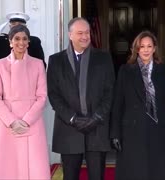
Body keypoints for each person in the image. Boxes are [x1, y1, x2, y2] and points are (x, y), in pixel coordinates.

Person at [47, 17, 115, 180]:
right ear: (70, 35)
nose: (85, 36)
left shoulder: (104, 58)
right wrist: (72, 118)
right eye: (80, 33)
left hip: (97, 128)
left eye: (87, 32)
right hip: (69, 128)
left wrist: (97, 117)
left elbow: (110, 91)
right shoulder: (56, 61)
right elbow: (54, 95)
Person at [0, 25, 50, 179]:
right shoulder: (0, 65)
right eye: (17, 38)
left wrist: (26, 121)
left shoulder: (38, 64)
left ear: (28, 42)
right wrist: (12, 121)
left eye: (24, 39)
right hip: (6, 123)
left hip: (32, 123)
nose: (21, 42)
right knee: (7, 167)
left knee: (34, 167)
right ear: (10, 42)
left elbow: (42, 96)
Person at [110, 31, 165, 180]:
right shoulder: (125, 71)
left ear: (154, 49)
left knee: (156, 171)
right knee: (133, 171)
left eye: (149, 46)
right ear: (136, 49)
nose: (146, 50)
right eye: (142, 46)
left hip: (158, 129)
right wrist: (115, 133)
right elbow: (117, 104)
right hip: (131, 131)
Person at [0, 12, 46, 128]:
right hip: (5, 97)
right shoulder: (1, 41)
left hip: (26, 97)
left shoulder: (33, 42)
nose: (16, 28)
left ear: (26, 27)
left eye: (20, 25)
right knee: (2, 132)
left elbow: (42, 67)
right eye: (13, 25)